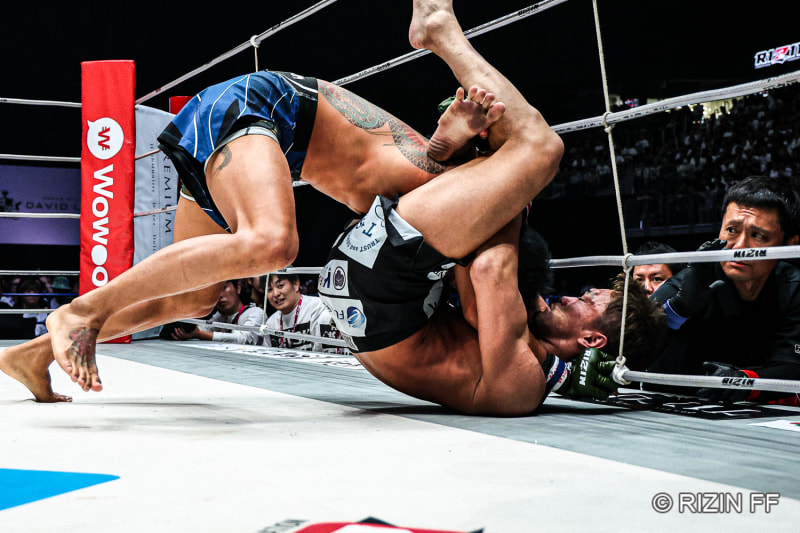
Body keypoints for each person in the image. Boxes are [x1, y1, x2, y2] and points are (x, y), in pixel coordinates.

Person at [0, 1, 498, 402]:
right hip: (259, 109)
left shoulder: (431, 196)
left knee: (193, 301)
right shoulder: (442, 184)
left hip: (259, 144)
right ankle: (81, 311)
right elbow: (476, 285)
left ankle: (35, 355)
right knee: (273, 243)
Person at [317, 0, 665, 416]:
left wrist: (513, 195)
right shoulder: (520, 347)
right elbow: (472, 295)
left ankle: (442, 35)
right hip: (365, 289)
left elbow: (487, 268)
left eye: (587, 302)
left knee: (541, 150)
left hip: (386, 290)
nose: (571, 297)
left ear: (591, 340)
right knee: (477, 176)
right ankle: (460, 155)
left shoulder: (524, 384)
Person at [650, 176, 800, 404]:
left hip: (750, 418)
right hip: (665, 408)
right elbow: (629, 342)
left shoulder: (793, 288)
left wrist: (743, 381)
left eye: (758, 235)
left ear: (789, 245)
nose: (739, 246)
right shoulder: (689, 282)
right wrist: (676, 310)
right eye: (731, 230)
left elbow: (792, 367)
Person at [170, 280, 264, 345]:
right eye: (214, 292)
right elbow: (204, 328)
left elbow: (244, 339)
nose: (219, 296)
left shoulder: (256, 312)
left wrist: (199, 334)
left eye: (224, 288)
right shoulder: (221, 316)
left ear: (238, 288)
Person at [263, 272, 339, 352]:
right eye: (269, 289)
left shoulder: (317, 307)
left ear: (296, 284)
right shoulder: (270, 323)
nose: (275, 294)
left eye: (280, 286)